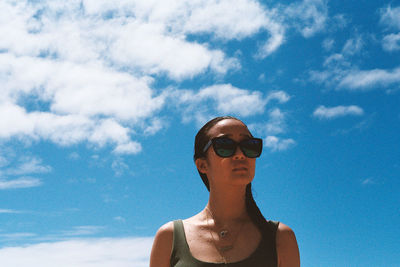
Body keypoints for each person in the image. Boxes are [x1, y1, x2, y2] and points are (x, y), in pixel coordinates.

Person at [150, 116, 300, 266]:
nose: (240, 154)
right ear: (202, 165)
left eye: (249, 145)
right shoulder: (169, 238)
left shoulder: (281, 238)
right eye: (225, 145)